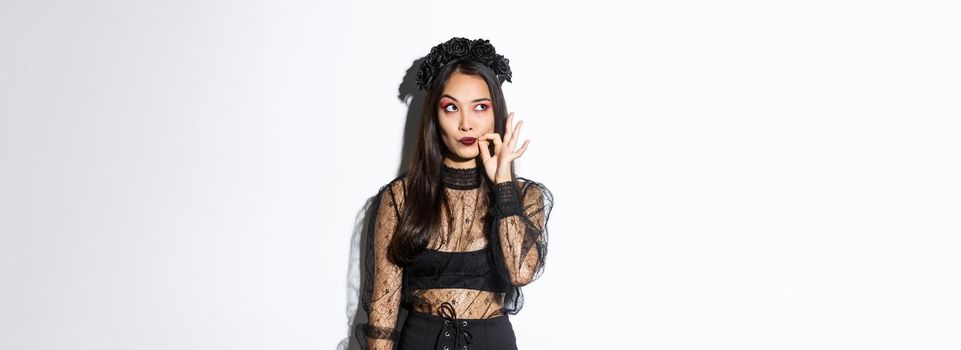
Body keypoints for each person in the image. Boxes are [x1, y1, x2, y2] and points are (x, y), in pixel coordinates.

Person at [354, 37, 555, 350]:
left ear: (496, 112)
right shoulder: (400, 197)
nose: (466, 123)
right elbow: (382, 310)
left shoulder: (524, 196)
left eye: (480, 107)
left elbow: (521, 272)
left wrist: (502, 184)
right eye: (451, 108)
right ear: (435, 116)